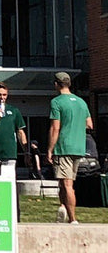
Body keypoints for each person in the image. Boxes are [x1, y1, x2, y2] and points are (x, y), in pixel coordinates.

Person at [46, 72, 93, 225]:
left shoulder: (56, 102)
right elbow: (89, 124)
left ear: (56, 84)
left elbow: (55, 128)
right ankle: (62, 208)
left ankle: (73, 219)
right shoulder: (82, 102)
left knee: (67, 184)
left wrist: (50, 149)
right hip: (78, 147)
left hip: (63, 147)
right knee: (63, 182)